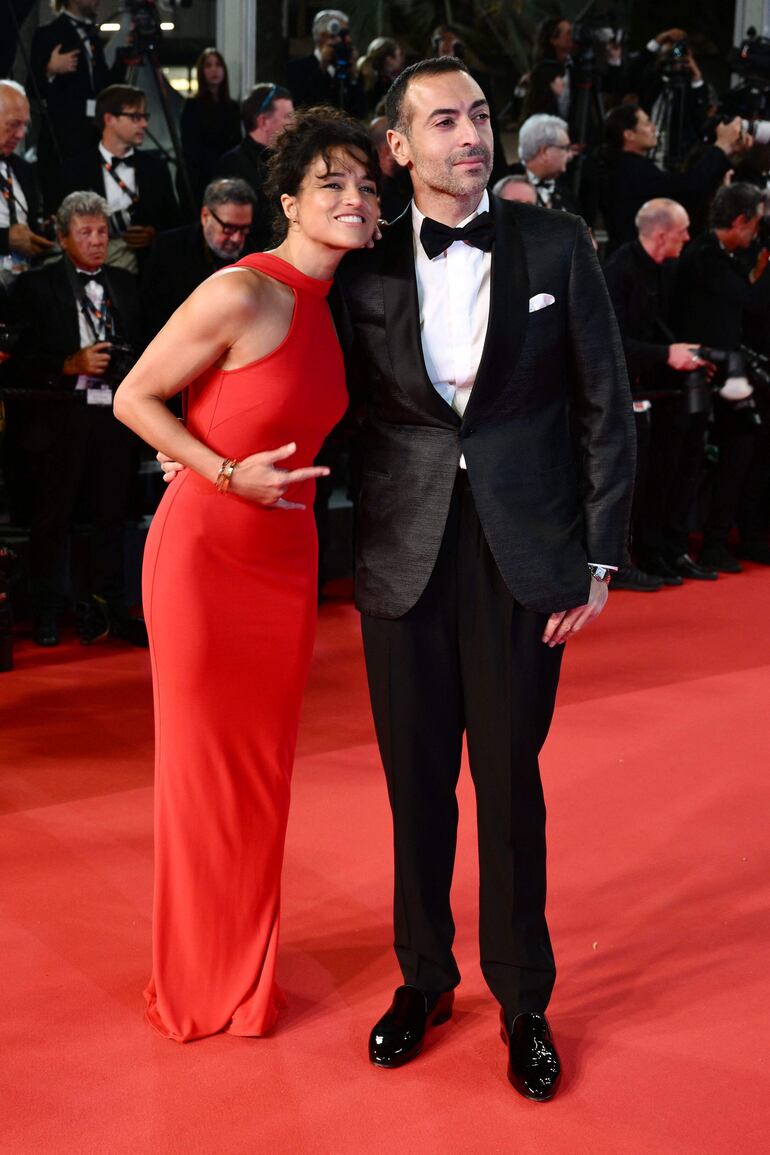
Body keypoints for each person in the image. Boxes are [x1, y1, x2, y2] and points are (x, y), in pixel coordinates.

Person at [334, 57, 635, 1100]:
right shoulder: (362, 268)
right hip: (402, 555)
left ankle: (523, 999)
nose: (470, 135)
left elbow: (603, 400)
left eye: (479, 116)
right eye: (443, 121)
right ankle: (421, 978)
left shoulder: (555, 242)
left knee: (510, 785)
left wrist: (598, 553)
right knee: (414, 787)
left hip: (524, 556)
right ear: (397, 147)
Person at [113, 109, 380, 1041]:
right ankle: (198, 979)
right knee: (200, 772)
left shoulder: (333, 304)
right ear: (289, 199)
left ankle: (248, 970)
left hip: (286, 556)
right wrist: (223, 470)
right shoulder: (241, 292)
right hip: (207, 553)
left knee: (262, 774)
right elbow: (132, 396)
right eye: (334, 183)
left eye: (367, 186)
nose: (355, 199)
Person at [9, 190, 146, 646]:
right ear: (63, 239)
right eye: (85, 233)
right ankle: (47, 612)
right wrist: (69, 364)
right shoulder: (34, 287)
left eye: (103, 232)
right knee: (54, 519)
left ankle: (112, 608)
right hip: (59, 417)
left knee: (112, 517)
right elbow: (15, 360)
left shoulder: (126, 284)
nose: (96, 241)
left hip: (115, 417)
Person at [603, 197, 708, 589]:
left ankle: (654, 549)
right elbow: (611, 342)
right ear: (662, 235)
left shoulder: (662, 269)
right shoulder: (619, 270)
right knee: (629, 481)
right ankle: (620, 561)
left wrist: (680, 350)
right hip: (621, 394)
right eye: (683, 231)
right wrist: (668, 354)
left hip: (652, 390)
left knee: (659, 474)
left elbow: (652, 326)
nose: (688, 237)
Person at [676, 182, 770, 573]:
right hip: (699, 377)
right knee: (706, 461)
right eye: (756, 225)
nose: (757, 234)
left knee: (744, 453)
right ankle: (705, 542)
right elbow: (746, 301)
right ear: (739, 221)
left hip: (731, 373)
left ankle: (739, 535)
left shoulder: (730, 255)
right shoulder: (703, 257)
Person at [64, 83, 179, 272]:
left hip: (145, 273)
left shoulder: (155, 167)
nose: (144, 124)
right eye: (135, 117)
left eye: (144, 116)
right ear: (109, 119)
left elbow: (174, 222)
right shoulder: (76, 168)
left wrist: (153, 234)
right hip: (91, 270)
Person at [600, 103, 744, 254]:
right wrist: (721, 146)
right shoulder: (630, 170)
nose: (654, 127)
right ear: (629, 134)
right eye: (647, 122)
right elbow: (687, 188)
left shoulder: (623, 167)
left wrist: (727, 150)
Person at [29, 0, 127, 212]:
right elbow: (31, 87)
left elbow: (104, 86)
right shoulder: (48, 33)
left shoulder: (92, 35)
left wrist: (124, 59)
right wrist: (50, 69)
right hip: (63, 141)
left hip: (93, 137)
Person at [141, 178, 255, 339]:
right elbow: (153, 315)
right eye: (228, 228)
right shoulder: (169, 249)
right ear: (205, 216)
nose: (236, 239)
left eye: (243, 229)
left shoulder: (254, 252)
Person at [215, 83, 294, 253]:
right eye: (288, 116)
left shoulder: (289, 160)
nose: (293, 124)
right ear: (263, 121)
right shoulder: (231, 165)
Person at [0, 80, 54, 281]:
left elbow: (27, 230)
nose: (21, 134)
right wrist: (5, 239)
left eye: (25, 125)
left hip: (22, 289)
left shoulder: (23, 168)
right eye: (14, 124)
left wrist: (44, 232)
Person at [180, 48, 241, 209]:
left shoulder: (233, 107)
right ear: (201, 71)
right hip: (200, 176)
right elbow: (191, 145)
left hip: (227, 175)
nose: (214, 70)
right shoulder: (192, 105)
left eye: (218, 65)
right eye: (208, 65)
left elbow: (236, 142)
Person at [287, 9, 365, 117]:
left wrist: (354, 78)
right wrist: (322, 69)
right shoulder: (297, 68)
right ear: (323, 36)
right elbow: (303, 108)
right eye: (342, 34)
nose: (348, 39)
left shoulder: (347, 68)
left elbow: (360, 111)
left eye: (348, 34)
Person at [513, 114, 581, 215]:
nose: (570, 155)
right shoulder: (507, 187)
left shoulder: (565, 188)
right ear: (545, 152)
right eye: (565, 148)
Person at [356, 36, 404, 116]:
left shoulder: (376, 79)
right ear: (389, 59)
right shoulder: (382, 83)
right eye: (399, 55)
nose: (401, 59)